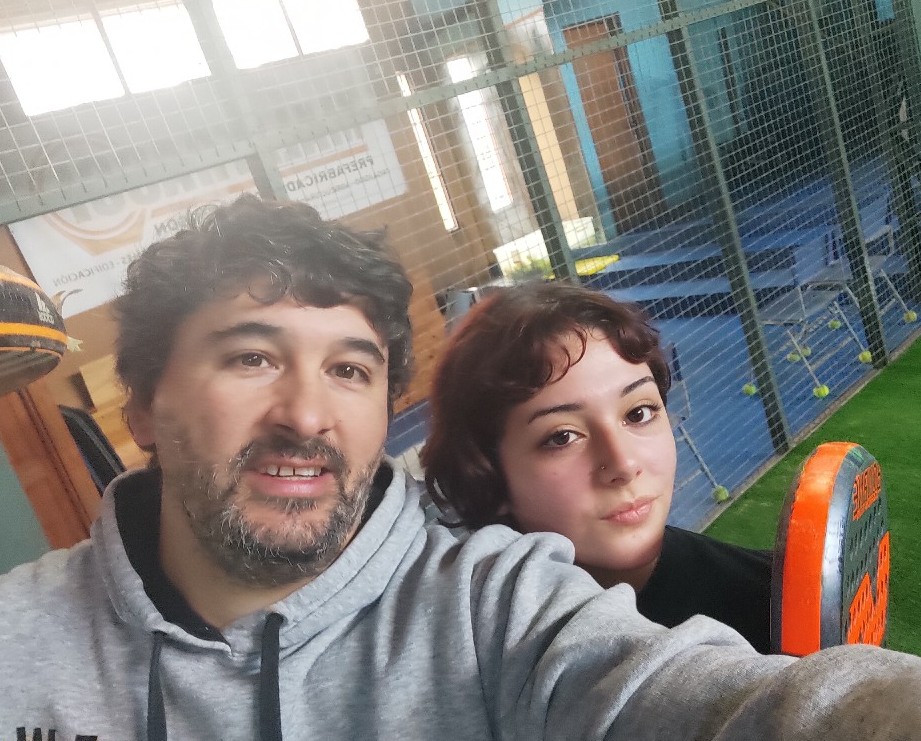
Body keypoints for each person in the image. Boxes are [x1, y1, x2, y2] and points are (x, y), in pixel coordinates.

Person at [2, 194, 921, 741]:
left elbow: (726, 701)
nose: (306, 415)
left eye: (349, 370)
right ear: (143, 405)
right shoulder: (19, 641)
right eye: (251, 357)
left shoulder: (495, 603)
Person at [421, 282, 775, 653]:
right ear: (487, 477)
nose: (624, 464)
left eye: (638, 413)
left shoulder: (776, 609)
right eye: (562, 437)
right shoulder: (465, 647)